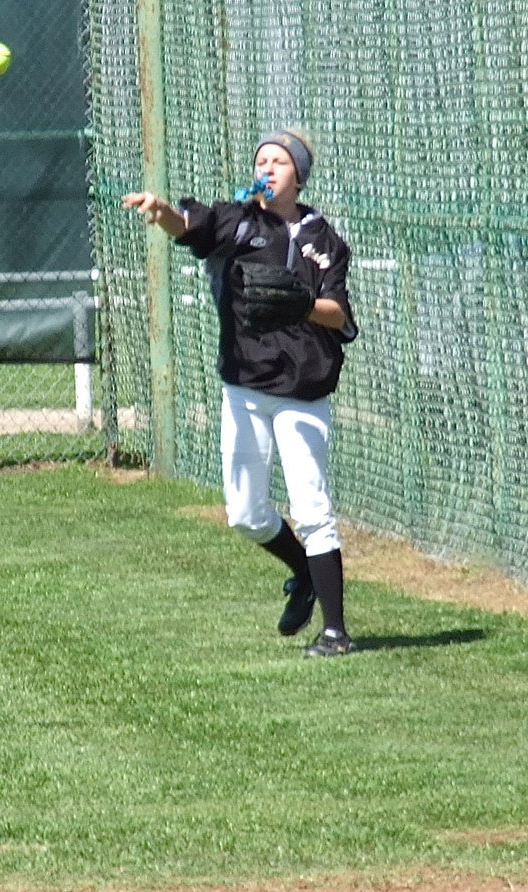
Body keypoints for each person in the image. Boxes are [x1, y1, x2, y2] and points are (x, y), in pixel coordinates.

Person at [122, 129, 358, 657]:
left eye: (280, 160)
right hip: (246, 388)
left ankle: (336, 632)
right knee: (246, 514)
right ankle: (302, 573)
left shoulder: (323, 239)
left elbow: (338, 314)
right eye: (262, 160)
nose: (269, 166)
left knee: (312, 507)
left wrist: (300, 307)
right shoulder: (236, 221)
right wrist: (161, 212)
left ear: (298, 174)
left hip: (303, 389)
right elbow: (190, 227)